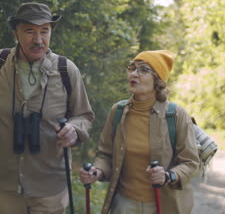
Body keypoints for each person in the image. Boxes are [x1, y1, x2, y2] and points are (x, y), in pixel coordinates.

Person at [0, 2, 94, 214]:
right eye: (30, 31)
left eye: (44, 31)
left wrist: (74, 130)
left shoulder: (66, 70)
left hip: (50, 184)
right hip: (6, 183)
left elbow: (83, 115)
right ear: (16, 33)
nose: (38, 40)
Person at [80, 50, 199, 214]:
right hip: (124, 204)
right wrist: (96, 171)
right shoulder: (118, 112)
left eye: (143, 70)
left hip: (163, 205)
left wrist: (168, 176)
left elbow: (191, 162)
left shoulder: (176, 115)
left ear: (158, 80)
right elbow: (105, 155)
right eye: (132, 68)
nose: (134, 74)